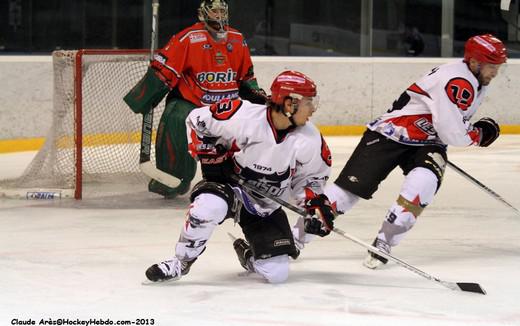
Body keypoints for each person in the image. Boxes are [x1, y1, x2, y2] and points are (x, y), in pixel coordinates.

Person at [300, 34, 506, 269]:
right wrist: (477, 135)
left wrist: (472, 130)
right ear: (474, 62)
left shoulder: (475, 80)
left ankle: (385, 241)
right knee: (346, 193)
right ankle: (295, 239)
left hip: (428, 142)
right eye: (491, 66)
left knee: (424, 183)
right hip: (390, 133)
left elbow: (450, 122)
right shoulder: (457, 81)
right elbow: (452, 132)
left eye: (497, 67)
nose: (495, 73)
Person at [144, 70, 336, 283]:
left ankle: (248, 255)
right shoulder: (241, 114)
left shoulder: (310, 140)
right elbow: (196, 120)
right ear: (290, 104)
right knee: (207, 207)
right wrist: (209, 153)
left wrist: (315, 205)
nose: (313, 109)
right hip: (229, 187)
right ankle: (180, 263)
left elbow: (312, 180)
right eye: (309, 103)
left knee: (277, 274)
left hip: (265, 205)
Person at [124, 0, 266, 199]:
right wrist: (145, 95)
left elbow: (246, 77)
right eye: (214, 11)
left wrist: (256, 95)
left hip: (227, 107)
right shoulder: (189, 38)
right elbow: (163, 70)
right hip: (193, 104)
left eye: (221, 11)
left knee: (256, 127)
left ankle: (254, 177)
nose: (218, 16)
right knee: (175, 117)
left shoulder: (237, 39)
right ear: (203, 14)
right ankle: (172, 178)